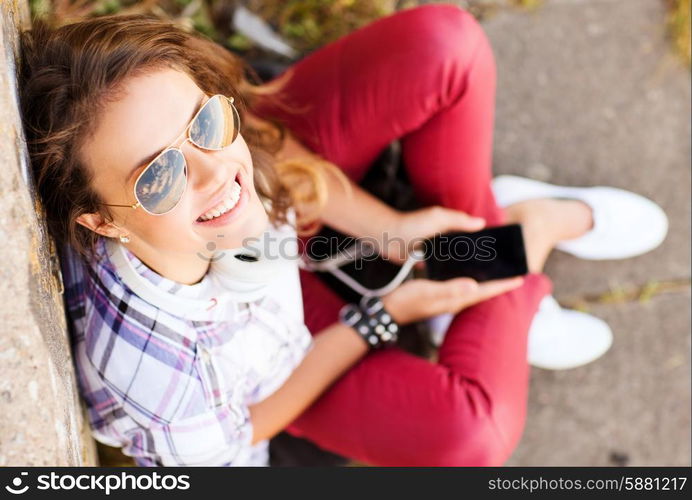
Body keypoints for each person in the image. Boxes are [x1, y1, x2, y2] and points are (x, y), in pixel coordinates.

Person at [19, 4, 668, 467]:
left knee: (448, 42)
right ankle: (529, 233)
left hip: (283, 246)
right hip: (285, 368)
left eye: (206, 123)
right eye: (159, 175)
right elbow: (244, 431)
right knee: (475, 436)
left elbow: (271, 161)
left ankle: (484, 270)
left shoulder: (213, 175)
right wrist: (379, 319)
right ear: (99, 221)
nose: (218, 170)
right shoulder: (159, 376)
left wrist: (393, 231)